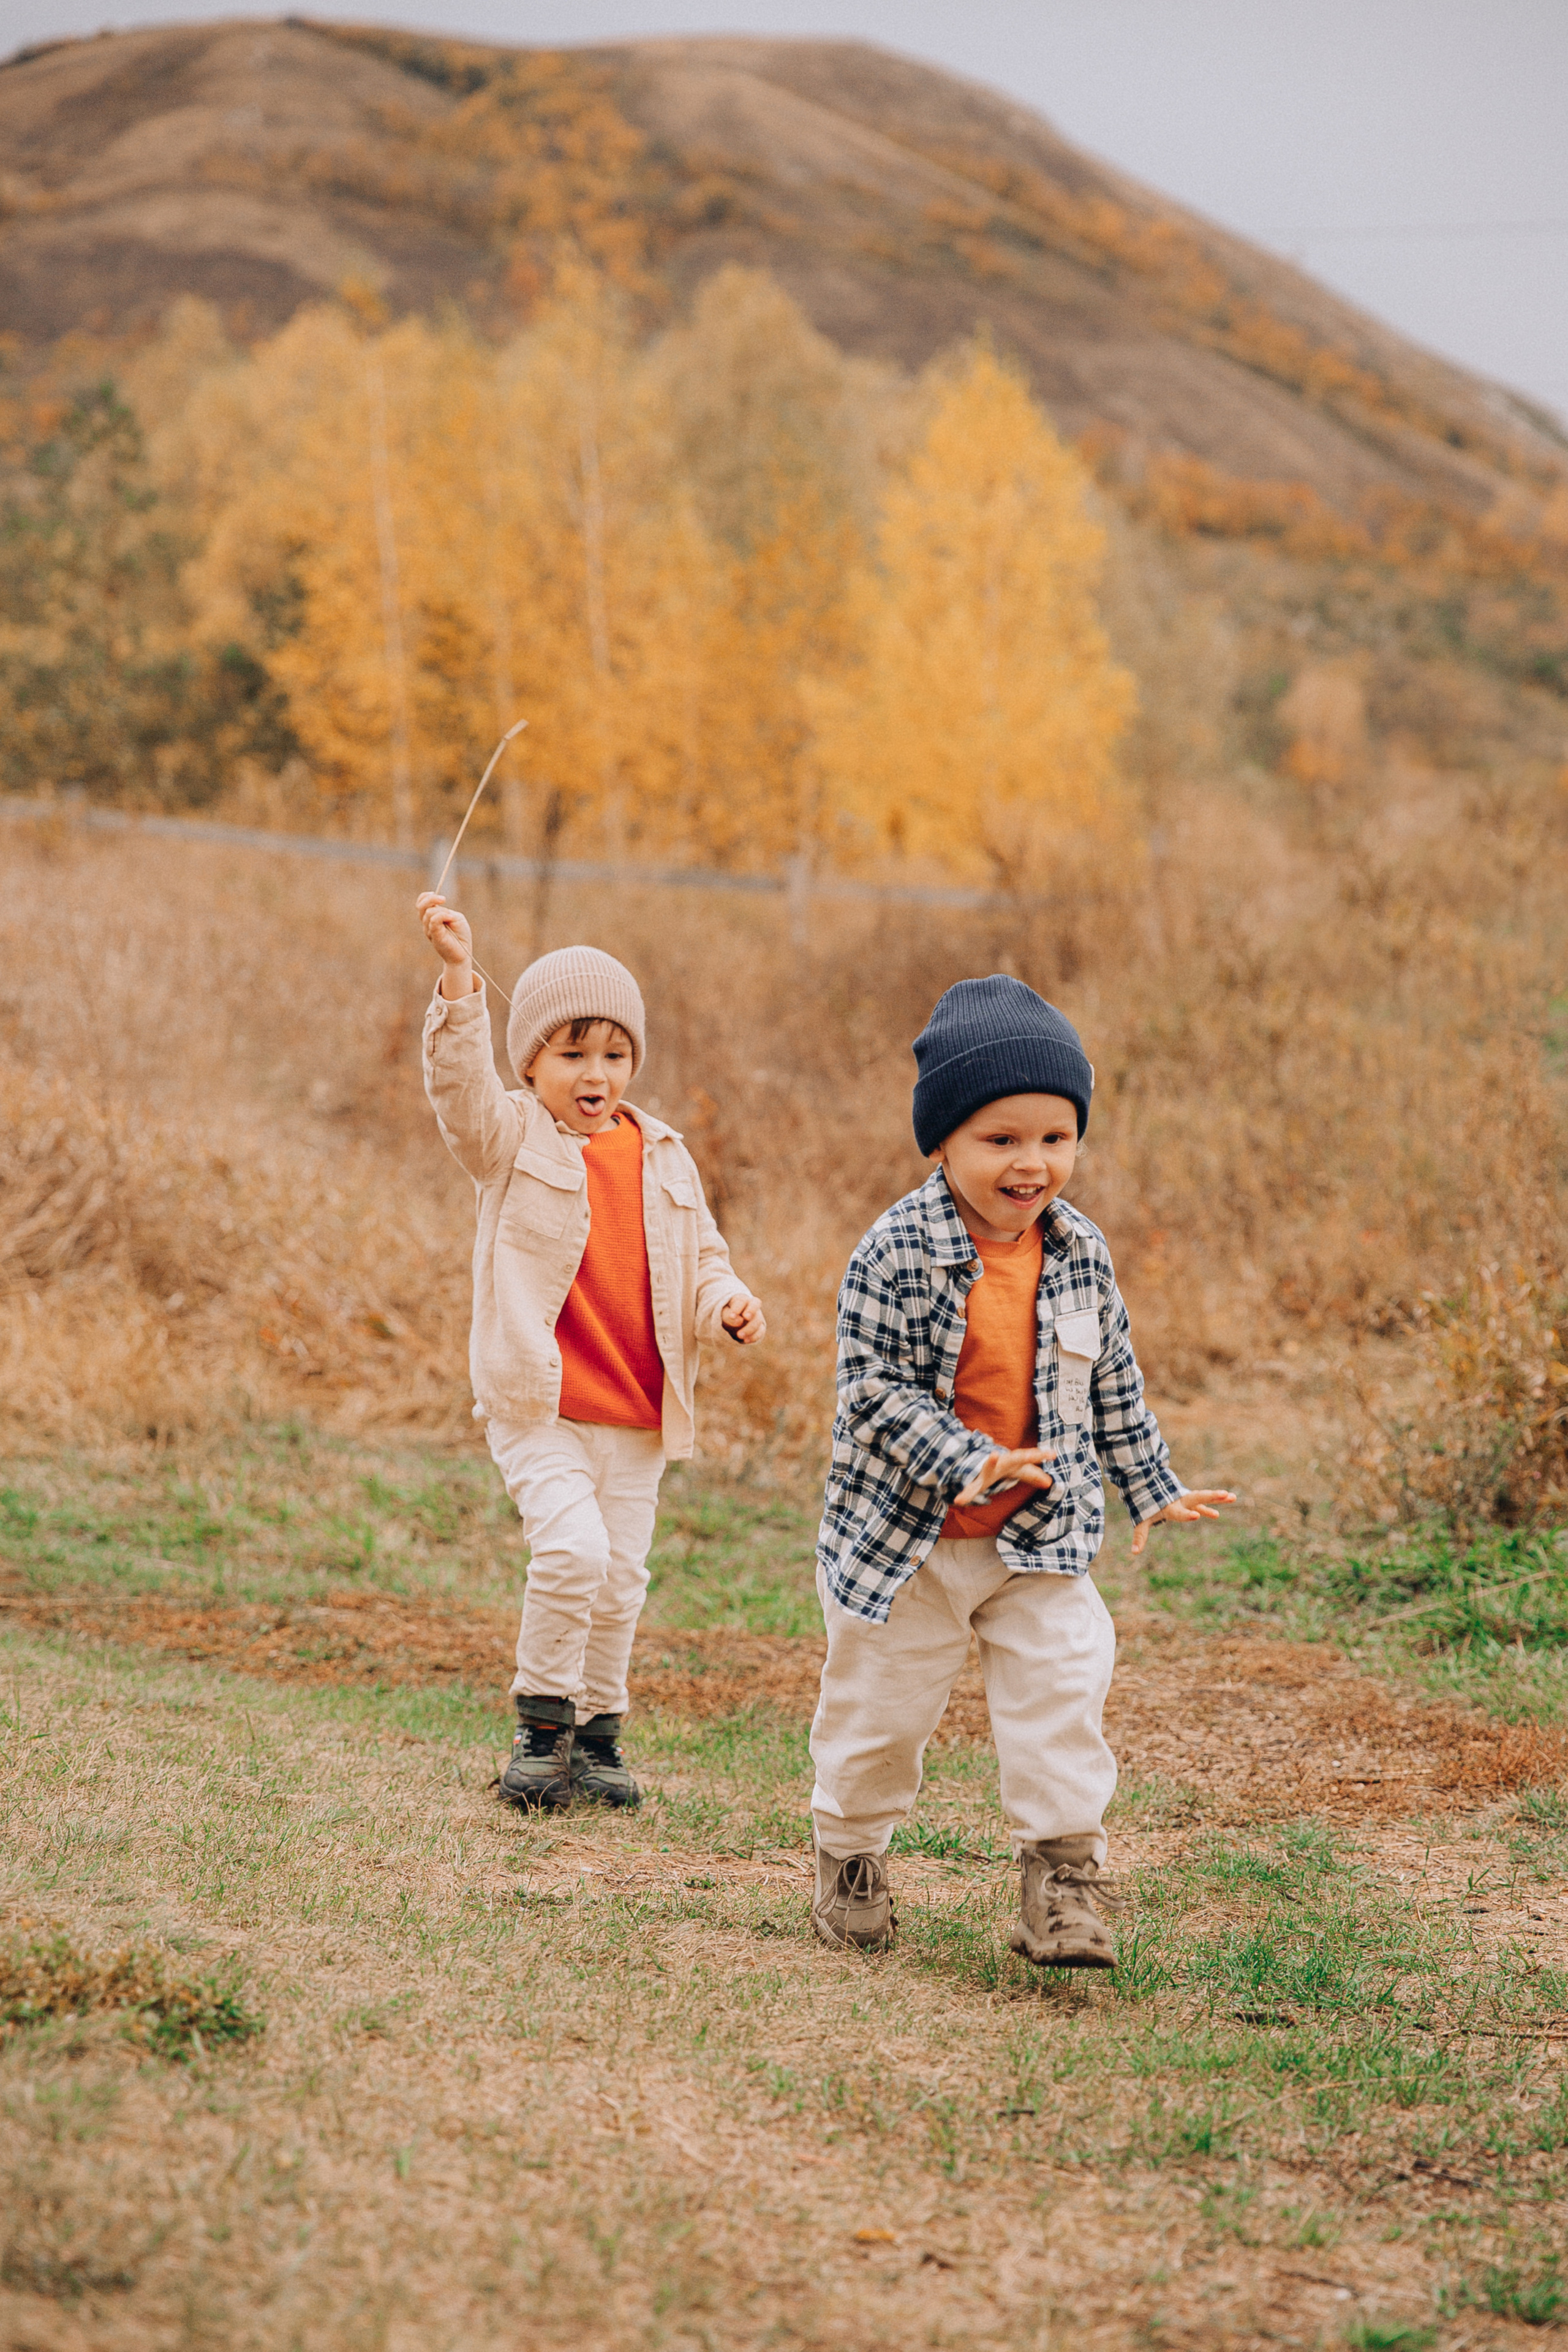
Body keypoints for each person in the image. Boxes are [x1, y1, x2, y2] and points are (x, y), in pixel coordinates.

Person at [809, 974, 1234, 1966]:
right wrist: (971, 1459)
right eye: (1001, 1140)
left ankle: (1062, 1879)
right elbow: (870, 1393)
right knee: (878, 1724)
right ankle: (850, 1858)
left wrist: (1152, 1480)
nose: (1032, 1163)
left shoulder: (1080, 1253)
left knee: (1063, 1690)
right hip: (905, 1547)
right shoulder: (895, 1251)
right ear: (944, 1142)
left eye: (1055, 1137)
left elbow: (1112, 1381)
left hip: (1038, 1538)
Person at [417, 891, 764, 1811]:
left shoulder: (666, 1157)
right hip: (542, 1404)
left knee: (619, 1581)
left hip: (642, 1416)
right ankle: (540, 1732)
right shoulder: (512, 1138)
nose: (595, 1072)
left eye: (614, 1054)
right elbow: (458, 1095)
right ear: (530, 1061)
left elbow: (702, 1262)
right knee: (572, 1552)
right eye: (572, 1053)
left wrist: (724, 1303)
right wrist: (459, 979)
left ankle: (599, 1740)